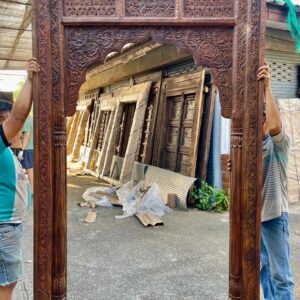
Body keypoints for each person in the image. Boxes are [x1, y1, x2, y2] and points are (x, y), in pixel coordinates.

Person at [0, 58, 40, 300]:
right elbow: (19, 116)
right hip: (4, 227)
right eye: (5, 111)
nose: (7, 114)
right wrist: (29, 79)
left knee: (6, 281)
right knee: (6, 284)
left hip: (7, 226)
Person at [257, 62, 295, 299]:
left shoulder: (279, 145)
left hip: (274, 217)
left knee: (281, 277)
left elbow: (274, 126)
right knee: (264, 271)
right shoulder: (252, 149)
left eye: (262, 116)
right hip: (257, 219)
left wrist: (267, 87)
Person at [19, 114, 34, 193]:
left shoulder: (27, 120)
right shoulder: (31, 118)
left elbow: (27, 136)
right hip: (32, 147)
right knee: (31, 169)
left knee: (29, 170)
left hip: (28, 148)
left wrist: (22, 149)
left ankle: (32, 190)